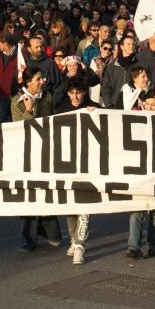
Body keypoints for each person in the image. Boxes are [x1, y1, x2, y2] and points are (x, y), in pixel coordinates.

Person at [12, 66, 61, 252]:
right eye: (38, 79)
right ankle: (29, 239)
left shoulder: (47, 96)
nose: (42, 82)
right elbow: (20, 127)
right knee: (28, 196)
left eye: (42, 78)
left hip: (45, 150)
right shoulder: (17, 101)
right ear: (28, 83)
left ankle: (51, 231)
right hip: (25, 154)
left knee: (47, 191)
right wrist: (29, 110)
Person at [55, 76, 99, 265]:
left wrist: (95, 114)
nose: (75, 97)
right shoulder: (60, 110)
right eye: (72, 93)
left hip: (88, 165)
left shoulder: (95, 108)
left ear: (84, 93)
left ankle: (80, 245)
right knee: (70, 206)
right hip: (67, 165)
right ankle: (74, 239)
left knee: (84, 206)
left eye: (79, 93)